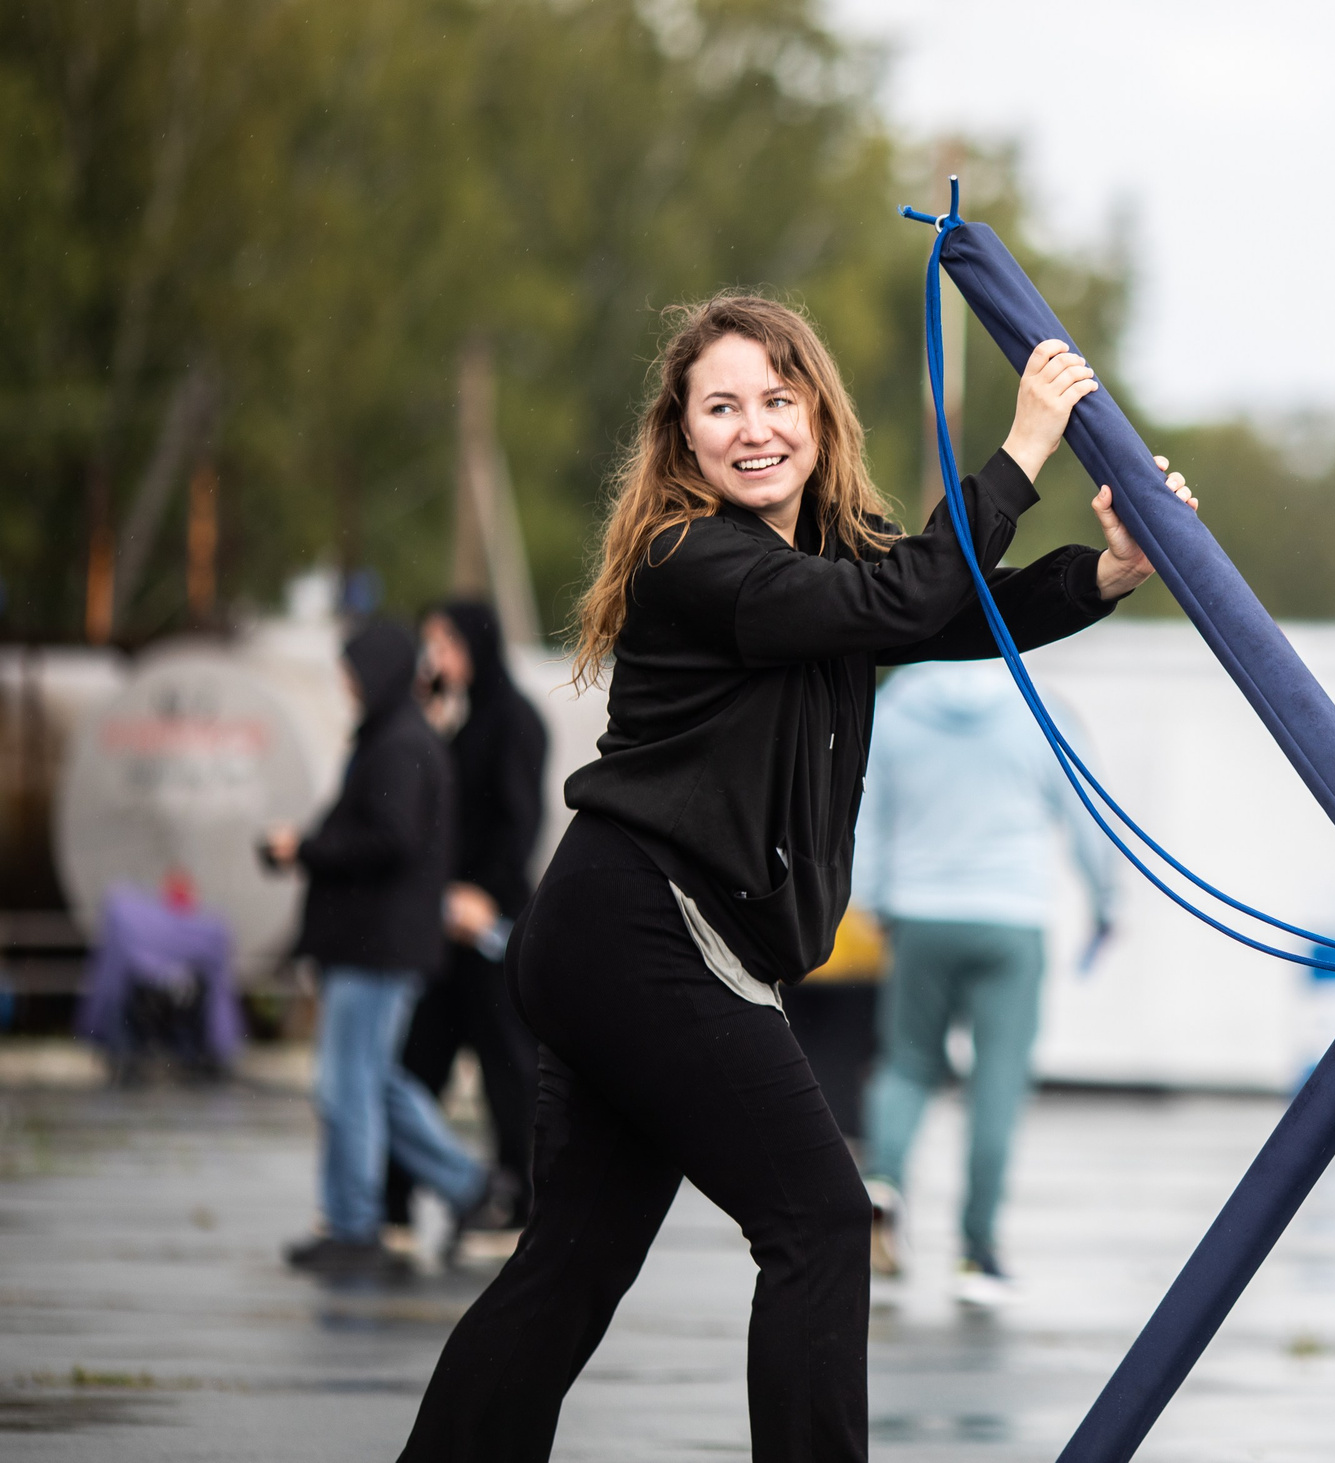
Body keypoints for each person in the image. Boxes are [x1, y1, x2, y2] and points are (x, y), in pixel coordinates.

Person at [398, 292, 1191, 1462]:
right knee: (819, 1221)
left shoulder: (819, 564)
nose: (754, 426)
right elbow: (909, 594)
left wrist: (1108, 573)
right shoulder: (690, 557)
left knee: (568, 1268)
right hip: (641, 929)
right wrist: (1024, 446)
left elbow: (949, 611)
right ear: (682, 435)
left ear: (817, 415)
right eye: (721, 406)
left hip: (628, 938)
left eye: (778, 398)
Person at [854, 659, 1116, 1307]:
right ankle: (978, 1252)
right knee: (997, 1080)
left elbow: (863, 807)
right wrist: (1105, 903)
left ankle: (884, 1182)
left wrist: (873, 899)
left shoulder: (896, 704)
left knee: (908, 1064)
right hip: (1011, 918)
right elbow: (1088, 815)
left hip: (919, 912)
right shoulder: (1038, 705)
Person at [263, 619, 487, 1278]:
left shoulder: (399, 744)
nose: (348, 684)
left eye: (355, 671)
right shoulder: (397, 737)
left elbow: (390, 839)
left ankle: (355, 1225)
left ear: (382, 672)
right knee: (372, 1082)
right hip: (378, 942)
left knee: (347, 1085)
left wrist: (304, 849)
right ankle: (470, 1188)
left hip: (376, 945)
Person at [388, 599, 549, 1233]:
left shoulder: (513, 719)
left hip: (488, 925)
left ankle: (521, 1201)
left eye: (447, 645)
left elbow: (520, 820)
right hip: (443, 923)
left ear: (477, 645)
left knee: (507, 1066)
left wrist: (485, 893)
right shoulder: (458, 721)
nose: (437, 660)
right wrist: (423, 713)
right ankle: (392, 1200)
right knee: (418, 1058)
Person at [76, 873, 242, 1083]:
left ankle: (143, 1061)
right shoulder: (205, 931)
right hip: (161, 1003)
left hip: (155, 1001)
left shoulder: (141, 923)